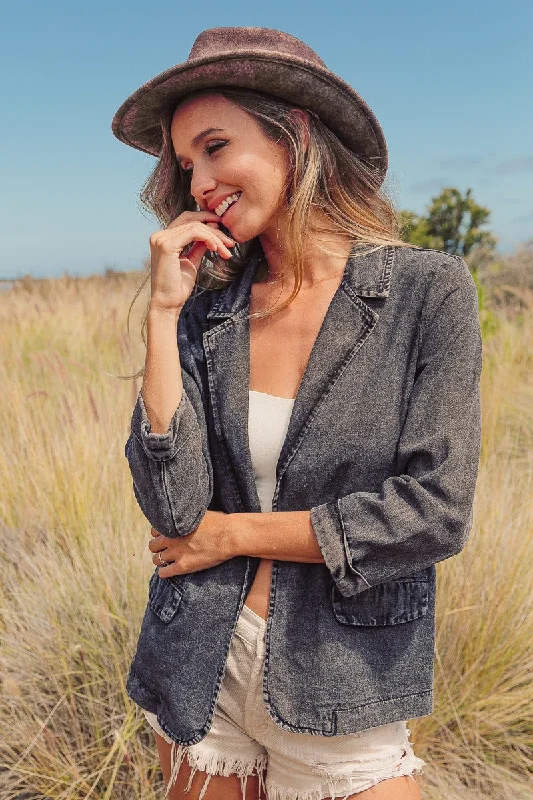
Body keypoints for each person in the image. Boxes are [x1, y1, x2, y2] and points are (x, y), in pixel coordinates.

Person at [112, 27, 483, 800]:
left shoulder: (426, 292)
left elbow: (433, 511)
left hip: (345, 679)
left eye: (216, 147)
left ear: (296, 132)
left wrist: (235, 534)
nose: (200, 181)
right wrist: (161, 314)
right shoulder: (206, 312)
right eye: (186, 165)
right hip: (201, 659)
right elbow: (174, 508)